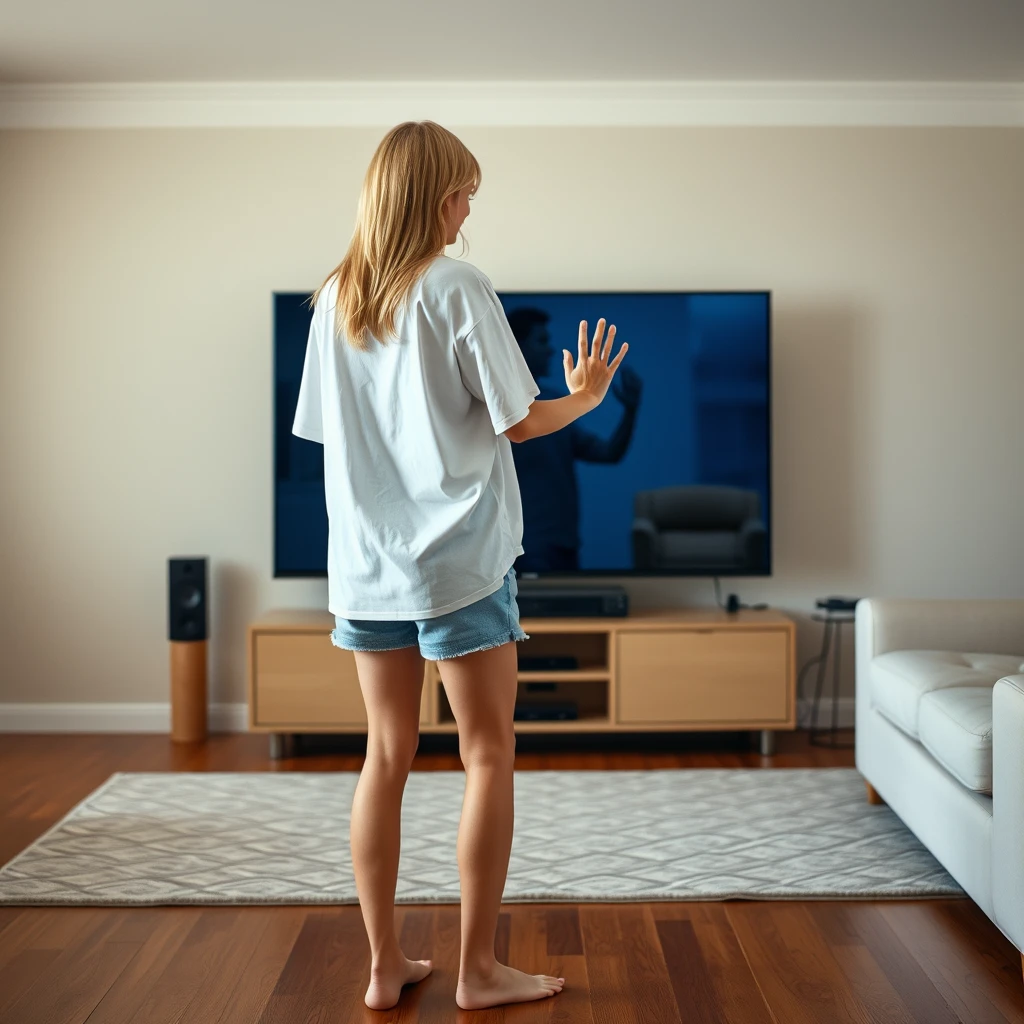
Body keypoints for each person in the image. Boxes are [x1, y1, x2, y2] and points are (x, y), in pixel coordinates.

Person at [291, 120, 629, 1012]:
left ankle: (382, 967)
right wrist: (586, 398)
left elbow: (330, 441)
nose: (470, 206)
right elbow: (520, 422)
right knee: (487, 753)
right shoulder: (457, 284)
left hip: (366, 571)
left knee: (386, 754)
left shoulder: (335, 297)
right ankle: (478, 972)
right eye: (463, 190)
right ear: (433, 195)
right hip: (461, 568)